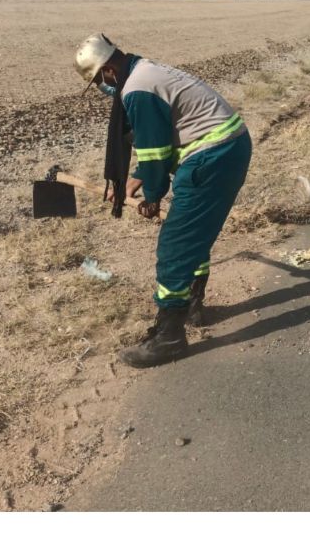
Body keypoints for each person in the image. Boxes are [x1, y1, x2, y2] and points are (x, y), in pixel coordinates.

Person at [74, 34, 252, 368]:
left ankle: (169, 337)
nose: (102, 89)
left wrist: (152, 197)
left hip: (211, 157)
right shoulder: (144, 70)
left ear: (108, 71)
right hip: (228, 145)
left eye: (98, 82)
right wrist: (130, 185)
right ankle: (193, 307)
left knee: (174, 246)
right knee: (194, 235)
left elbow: (155, 153)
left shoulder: (136, 90)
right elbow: (155, 145)